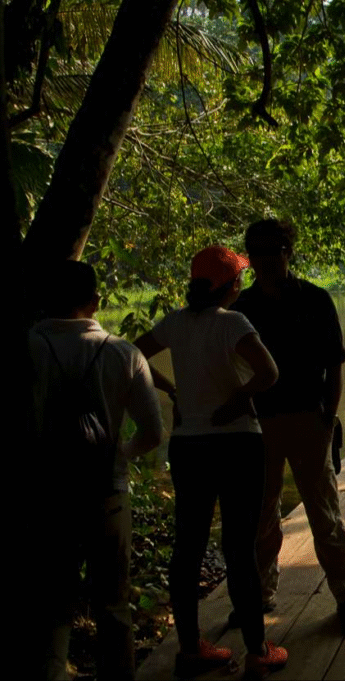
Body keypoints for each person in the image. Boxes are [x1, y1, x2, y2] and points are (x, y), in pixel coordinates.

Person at [134, 246, 288, 679]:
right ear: (230, 286)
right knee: (239, 546)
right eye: (238, 277)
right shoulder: (234, 322)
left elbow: (133, 355)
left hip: (189, 446)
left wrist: (173, 392)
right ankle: (258, 651)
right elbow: (269, 373)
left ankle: (190, 648)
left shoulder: (174, 322)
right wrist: (238, 397)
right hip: (236, 443)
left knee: (188, 546)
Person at [232, 218, 345, 634]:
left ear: (288, 251)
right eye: (256, 253)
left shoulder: (315, 299)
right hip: (258, 425)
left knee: (325, 512)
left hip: (310, 418)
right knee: (260, 515)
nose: (265, 260)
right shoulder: (241, 310)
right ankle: (258, 596)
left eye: (273, 251)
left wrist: (328, 417)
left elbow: (335, 363)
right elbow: (231, 370)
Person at [29, 260, 163, 681]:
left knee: (53, 603)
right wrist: (121, 453)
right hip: (107, 490)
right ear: (95, 301)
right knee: (113, 604)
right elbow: (153, 432)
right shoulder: (124, 352)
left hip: (45, 493)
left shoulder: (26, 347)